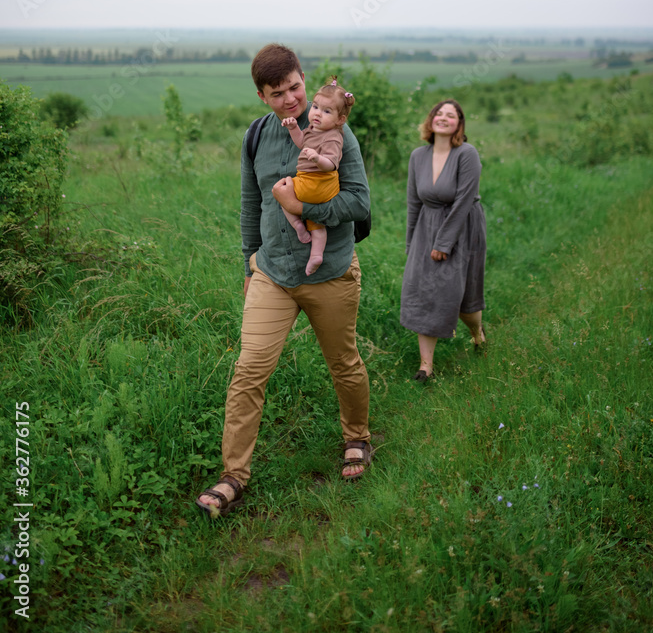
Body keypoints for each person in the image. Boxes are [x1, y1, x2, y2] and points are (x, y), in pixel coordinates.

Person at [196, 45, 372, 518]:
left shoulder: (338, 135)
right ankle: (234, 475)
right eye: (279, 94)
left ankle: (357, 438)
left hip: (330, 272)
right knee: (249, 369)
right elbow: (251, 205)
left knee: (344, 362)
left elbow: (359, 205)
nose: (292, 99)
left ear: (303, 79)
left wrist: (303, 208)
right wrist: (248, 266)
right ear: (262, 96)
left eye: (296, 87)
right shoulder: (256, 137)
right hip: (271, 273)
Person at [400, 99, 486, 379]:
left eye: (451, 115)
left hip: (462, 228)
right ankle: (426, 365)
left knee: (461, 298)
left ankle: (477, 334)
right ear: (431, 120)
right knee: (425, 292)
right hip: (427, 227)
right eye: (439, 113)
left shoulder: (467, 154)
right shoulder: (417, 156)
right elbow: (414, 202)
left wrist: (444, 243)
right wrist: (412, 243)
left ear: (459, 124)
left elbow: (463, 202)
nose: (444, 118)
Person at [280, 78, 355, 276]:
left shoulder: (333, 136)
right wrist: (293, 128)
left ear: (340, 120)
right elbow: (301, 142)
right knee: (318, 226)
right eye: (316, 107)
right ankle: (316, 256)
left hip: (317, 182)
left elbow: (331, 164)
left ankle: (298, 225)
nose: (317, 114)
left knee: (281, 190)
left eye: (327, 111)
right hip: (316, 189)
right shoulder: (313, 130)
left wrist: (317, 158)